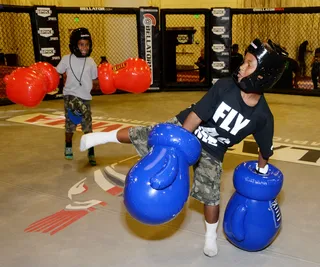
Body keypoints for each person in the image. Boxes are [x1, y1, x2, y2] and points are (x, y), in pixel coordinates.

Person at [79, 38, 287, 256]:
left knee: (212, 195)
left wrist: (262, 171)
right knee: (145, 134)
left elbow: (265, 149)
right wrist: (177, 142)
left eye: (249, 64)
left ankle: (209, 238)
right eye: (244, 61)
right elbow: (197, 115)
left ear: (263, 75)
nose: (242, 67)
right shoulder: (226, 87)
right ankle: (101, 138)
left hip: (213, 151)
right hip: (186, 128)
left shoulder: (263, 116)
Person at [55, 28, 98, 166]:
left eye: (87, 44)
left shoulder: (91, 61)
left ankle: (91, 151)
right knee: (71, 124)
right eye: (81, 44)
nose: (84, 48)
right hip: (70, 95)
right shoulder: (66, 59)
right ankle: (68, 145)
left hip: (86, 97)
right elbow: (57, 72)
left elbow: (94, 79)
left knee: (87, 126)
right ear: (74, 45)